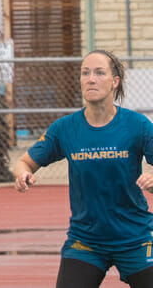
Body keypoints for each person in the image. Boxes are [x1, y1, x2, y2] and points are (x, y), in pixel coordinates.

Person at [14, 50, 153, 288]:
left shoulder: (137, 125)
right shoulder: (65, 128)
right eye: (85, 73)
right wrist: (22, 174)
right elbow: (24, 162)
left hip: (136, 239)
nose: (91, 79)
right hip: (86, 242)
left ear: (114, 81)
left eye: (100, 73)